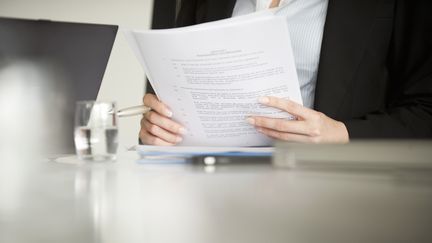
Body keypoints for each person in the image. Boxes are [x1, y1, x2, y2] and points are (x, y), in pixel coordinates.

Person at [139, 0, 432, 146]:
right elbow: (173, 90)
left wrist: (342, 133)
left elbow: (425, 111)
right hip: (207, 185)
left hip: (330, 193)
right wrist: (158, 129)